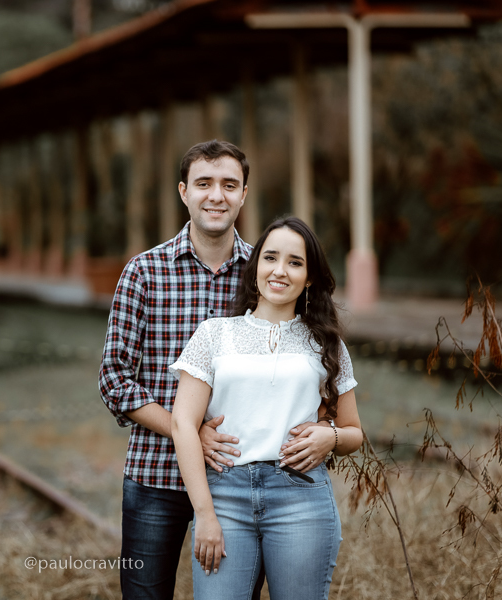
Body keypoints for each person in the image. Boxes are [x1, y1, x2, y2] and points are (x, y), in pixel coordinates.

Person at [99, 140, 316, 599]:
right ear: (184, 192)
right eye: (204, 183)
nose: (216, 195)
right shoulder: (144, 272)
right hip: (155, 475)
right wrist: (188, 431)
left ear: (243, 194)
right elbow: (114, 379)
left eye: (228, 185)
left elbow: (305, 358)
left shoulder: (266, 271)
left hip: (237, 483)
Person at [169, 216, 363, 600]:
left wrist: (331, 436)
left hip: (300, 496)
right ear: (255, 265)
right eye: (270, 258)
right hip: (225, 495)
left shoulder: (326, 343)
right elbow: (182, 424)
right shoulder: (214, 334)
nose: (279, 270)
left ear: (309, 277)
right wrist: (205, 513)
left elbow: (354, 431)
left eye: (295, 262)